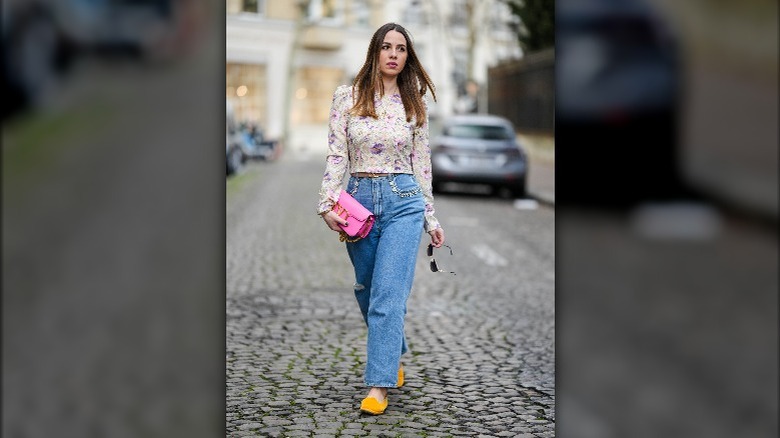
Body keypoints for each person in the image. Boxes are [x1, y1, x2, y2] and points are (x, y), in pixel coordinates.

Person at [317, 22, 445, 415]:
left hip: (403, 200)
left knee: (388, 297)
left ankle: (379, 385)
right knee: (367, 289)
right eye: (387, 47)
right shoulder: (347, 97)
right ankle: (395, 350)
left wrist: (430, 217)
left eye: (401, 48)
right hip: (358, 203)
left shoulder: (413, 103)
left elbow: (421, 165)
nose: (394, 54)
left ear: (408, 56)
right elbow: (337, 154)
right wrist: (326, 203)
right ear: (374, 52)